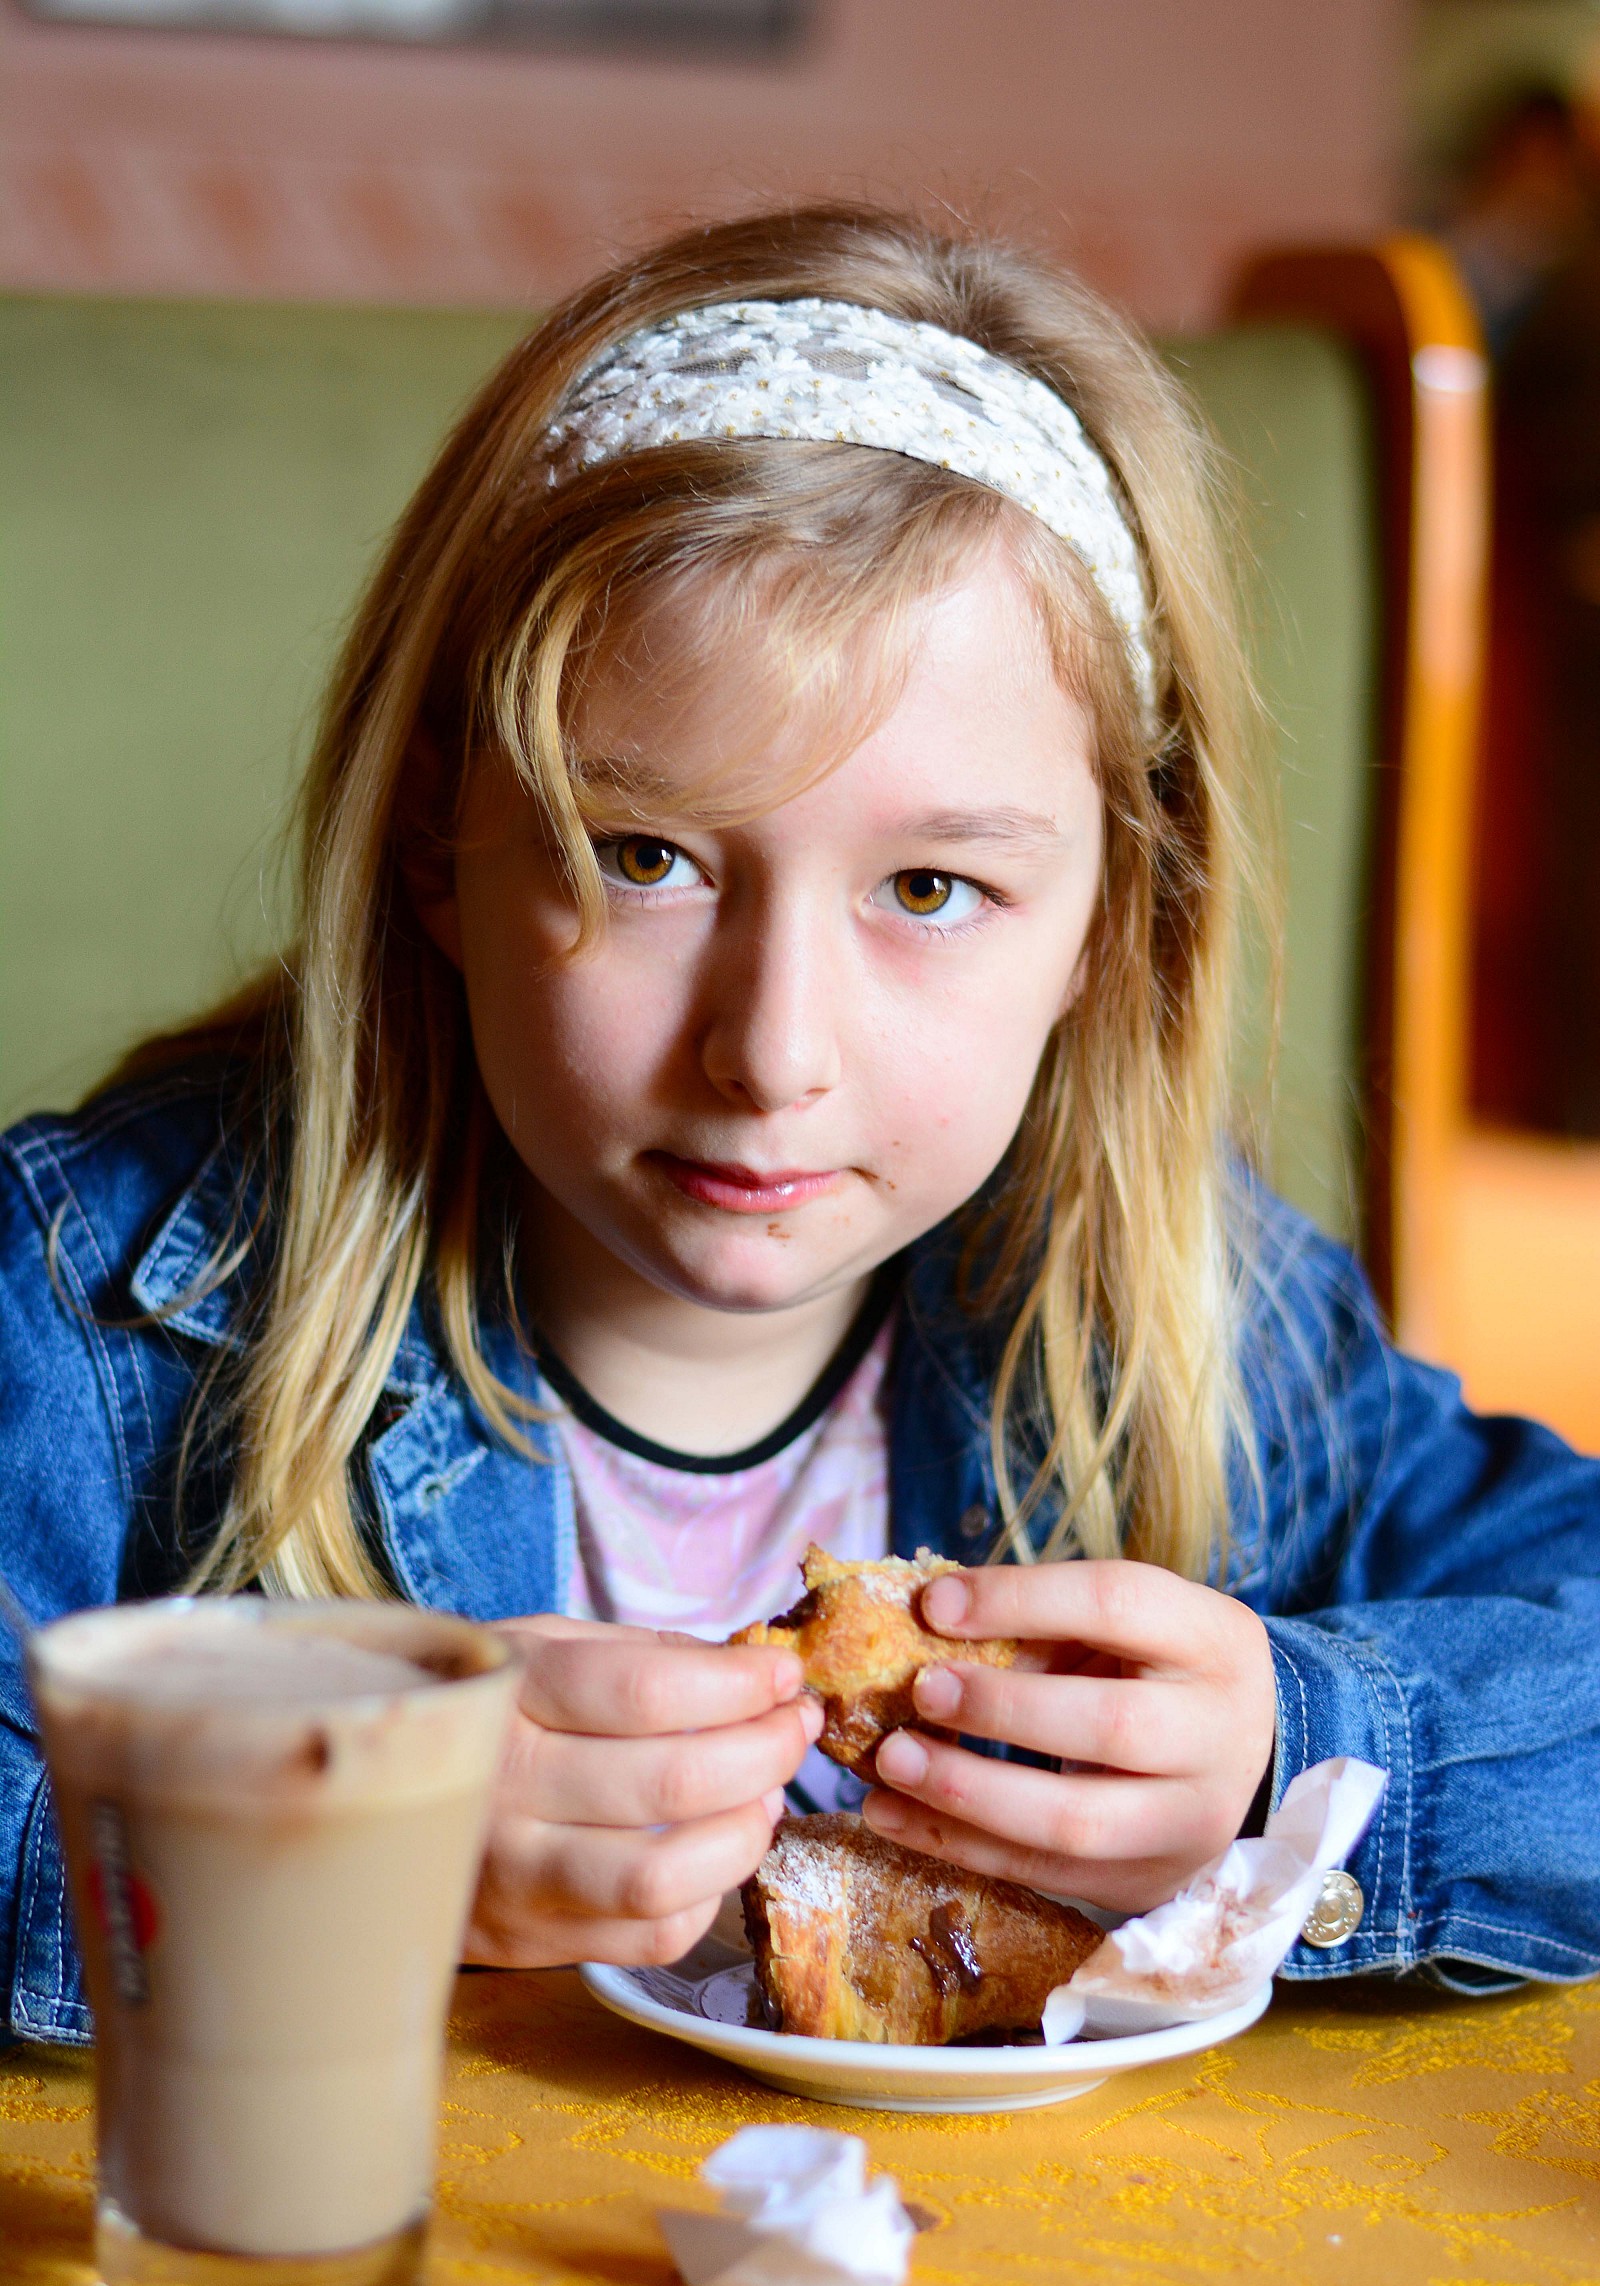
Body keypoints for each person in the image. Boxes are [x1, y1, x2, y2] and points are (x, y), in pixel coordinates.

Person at [2, 205, 1597, 2048]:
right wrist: (315, 1848)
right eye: (647, 858)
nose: (771, 1052)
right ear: (441, 843)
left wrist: (1296, 1752)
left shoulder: (1174, 1331)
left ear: (1114, 926)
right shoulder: (107, 1305)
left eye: (928, 890)